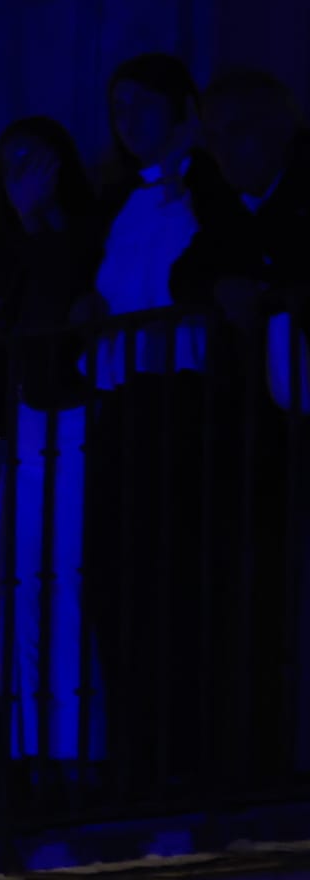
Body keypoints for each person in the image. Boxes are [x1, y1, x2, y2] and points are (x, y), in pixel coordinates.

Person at [80, 53, 232, 792]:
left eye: (140, 103)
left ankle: (185, 760)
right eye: (118, 106)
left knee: (176, 580)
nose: (127, 119)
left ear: (179, 108)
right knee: (118, 579)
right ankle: (134, 759)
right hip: (122, 400)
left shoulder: (209, 187)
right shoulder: (119, 201)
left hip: (184, 397)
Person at [172, 67, 305, 779]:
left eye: (237, 133)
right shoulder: (224, 205)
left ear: (278, 130)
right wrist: (226, 284)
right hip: (248, 427)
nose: (223, 151)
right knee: (249, 587)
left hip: (297, 420)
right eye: (214, 137)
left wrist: (271, 287)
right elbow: (187, 274)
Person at [0, 117, 107, 793]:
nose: (23, 173)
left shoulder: (89, 232)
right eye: (11, 163)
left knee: (66, 585)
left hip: (77, 414)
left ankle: (78, 751)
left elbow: (75, 299)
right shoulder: (6, 250)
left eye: (35, 158)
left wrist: (37, 224)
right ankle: (31, 751)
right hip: (24, 422)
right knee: (14, 590)